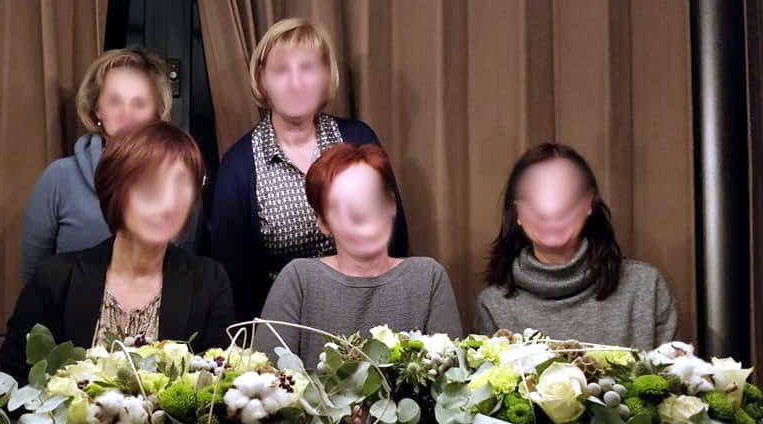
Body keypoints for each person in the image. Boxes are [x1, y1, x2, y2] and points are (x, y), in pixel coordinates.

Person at [0, 123, 234, 382]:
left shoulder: (208, 283)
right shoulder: (56, 279)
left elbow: (216, 392)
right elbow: (10, 384)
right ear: (116, 190)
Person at [210, 18, 408, 324]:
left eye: (307, 68)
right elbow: (235, 277)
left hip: (371, 313)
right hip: (283, 325)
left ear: (326, 75)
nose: (296, 82)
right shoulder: (239, 165)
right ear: (262, 80)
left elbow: (395, 236)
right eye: (281, 71)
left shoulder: (358, 138)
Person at [255, 143, 460, 367]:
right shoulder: (299, 279)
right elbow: (268, 377)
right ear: (322, 222)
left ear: (391, 204)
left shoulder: (427, 277)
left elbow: (449, 377)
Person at [474, 142, 677, 349]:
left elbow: (674, 368)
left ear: (588, 203)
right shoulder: (494, 305)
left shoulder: (645, 287)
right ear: (517, 212)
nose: (550, 210)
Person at [20, 48, 173, 283]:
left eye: (139, 101)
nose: (127, 113)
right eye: (115, 100)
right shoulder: (59, 178)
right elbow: (34, 279)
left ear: (156, 112)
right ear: (97, 109)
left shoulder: (176, 182)